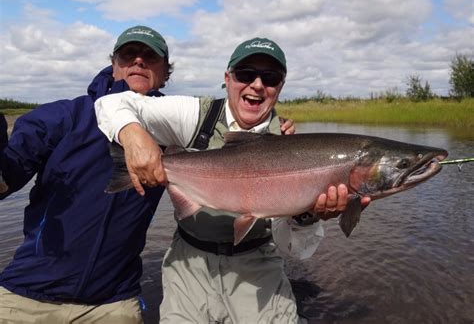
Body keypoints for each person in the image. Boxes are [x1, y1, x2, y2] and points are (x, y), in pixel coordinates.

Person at [95, 37, 371, 323]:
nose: (257, 84)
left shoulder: (291, 145)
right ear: (227, 78)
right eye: (246, 74)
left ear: (280, 87)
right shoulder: (197, 115)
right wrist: (133, 135)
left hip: (258, 267)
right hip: (189, 263)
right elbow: (110, 103)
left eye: (271, 77)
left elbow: (295, 250)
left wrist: (307, 217)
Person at [0, 25, 173, 323]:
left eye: (150, 56)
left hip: (112, 303)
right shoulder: (63, 117)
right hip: (26, 294)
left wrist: (278, 134)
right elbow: (6, 179)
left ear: (165, 72)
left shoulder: (173, 130)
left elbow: (231, 143)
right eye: (129, 54)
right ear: (114, 63)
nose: (139, 61)